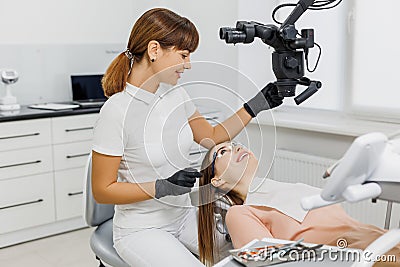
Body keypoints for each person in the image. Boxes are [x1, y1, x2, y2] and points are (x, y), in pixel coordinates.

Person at [91, 8, 284, 267]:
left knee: (253, 254)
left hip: (182, 216)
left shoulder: (176, 95)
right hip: (142, 229)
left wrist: (256, 105)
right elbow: (102, 190)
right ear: (154, 50)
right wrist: (162, 187)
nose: (188, 64)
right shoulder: (116, 111)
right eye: (183, 55)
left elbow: (212, 137)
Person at [198, 141, 400, 266]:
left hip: (383, 240)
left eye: (234, 144)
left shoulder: (293, 188)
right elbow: (270, 264)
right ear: (218, 181)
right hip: (358, 257)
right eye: (222, 152)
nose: (236, 147)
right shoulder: (240, 213)